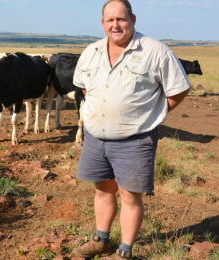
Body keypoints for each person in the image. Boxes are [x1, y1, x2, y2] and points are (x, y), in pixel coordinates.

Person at [71, 0, 190, 259]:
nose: (116, 25)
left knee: (130, 195)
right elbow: (84, 87)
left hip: (135, 139)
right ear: (103, 23)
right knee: (102, 189)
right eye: (110, 20)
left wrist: (155, 114)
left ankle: (124, 250)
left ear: (133, 19)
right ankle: (100, 240)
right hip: (95, 136)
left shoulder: (155, 51)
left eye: (121, 19)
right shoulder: (91, 52)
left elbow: (179, 89)